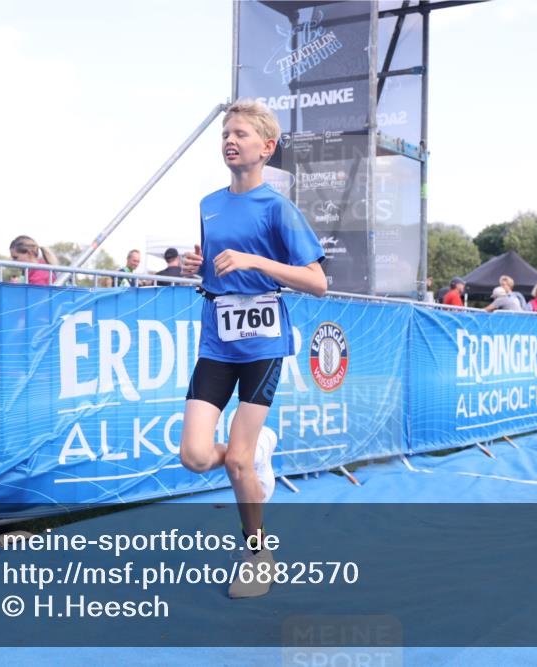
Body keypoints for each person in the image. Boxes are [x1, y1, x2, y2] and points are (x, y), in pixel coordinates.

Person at [178, 98, 326, 599]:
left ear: (267, 147)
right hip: (217, 339)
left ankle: (257, 552)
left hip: (262, 342)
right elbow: (215, 270)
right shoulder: (208, 205)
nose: (229, 140)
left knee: (238, 462)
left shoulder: (278, 208)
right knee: (196, 456)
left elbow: (317, 282)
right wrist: (197, 266)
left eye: (240, 133)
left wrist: (256, 262)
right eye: (225, 133)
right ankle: (255, 450)